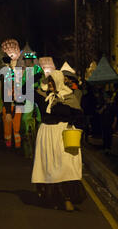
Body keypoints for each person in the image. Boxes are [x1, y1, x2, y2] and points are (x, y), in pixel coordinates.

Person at [32, 70, 86, 212]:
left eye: (52, 81)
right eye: (48, 81)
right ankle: (52, 198)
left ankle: (67, 198)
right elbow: (24, 91)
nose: (50, 84)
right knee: (49, 165)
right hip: (46, 134)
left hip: (63, 134)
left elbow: (79, 116)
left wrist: (64, 110)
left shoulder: (69, 96)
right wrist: (34, 78)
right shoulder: (43, 96)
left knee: (66, 164)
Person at [97, 91, 118, 156]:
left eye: (105, 96)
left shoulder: (113, 104)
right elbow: (99, 112)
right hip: (104, 122)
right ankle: (105, 147)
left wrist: (114, 123)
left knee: (109, 135)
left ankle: (108, 148)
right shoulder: (103, 104)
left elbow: (115, 115)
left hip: (110, 122)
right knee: (104, 135)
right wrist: (103, 107)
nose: (104, 97)